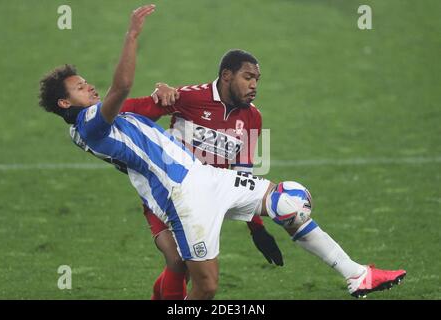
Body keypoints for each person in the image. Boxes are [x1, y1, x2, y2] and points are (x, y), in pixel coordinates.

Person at [38, 4, 406, 299]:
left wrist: (256, 227)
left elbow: (243, 166)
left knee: (289, 201)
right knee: (202, 282)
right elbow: (122, 89)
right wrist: (134, 37)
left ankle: (358, 276)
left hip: (211, 179)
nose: (90, 87)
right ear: (64, 102)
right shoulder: (89, 124)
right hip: (180, 195)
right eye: (80, 86)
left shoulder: (252, 118)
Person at [120, 49, 283, 300]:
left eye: (257, 80)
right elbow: (131, 109)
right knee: (177, 260)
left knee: (183, 267)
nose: (254, 85)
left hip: (203, 202)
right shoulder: (189, 98)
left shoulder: (252, 117)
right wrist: (96, 116)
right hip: (164, 192)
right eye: (248, 77)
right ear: (227, 76)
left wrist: (256, 229)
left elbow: (243, 176)